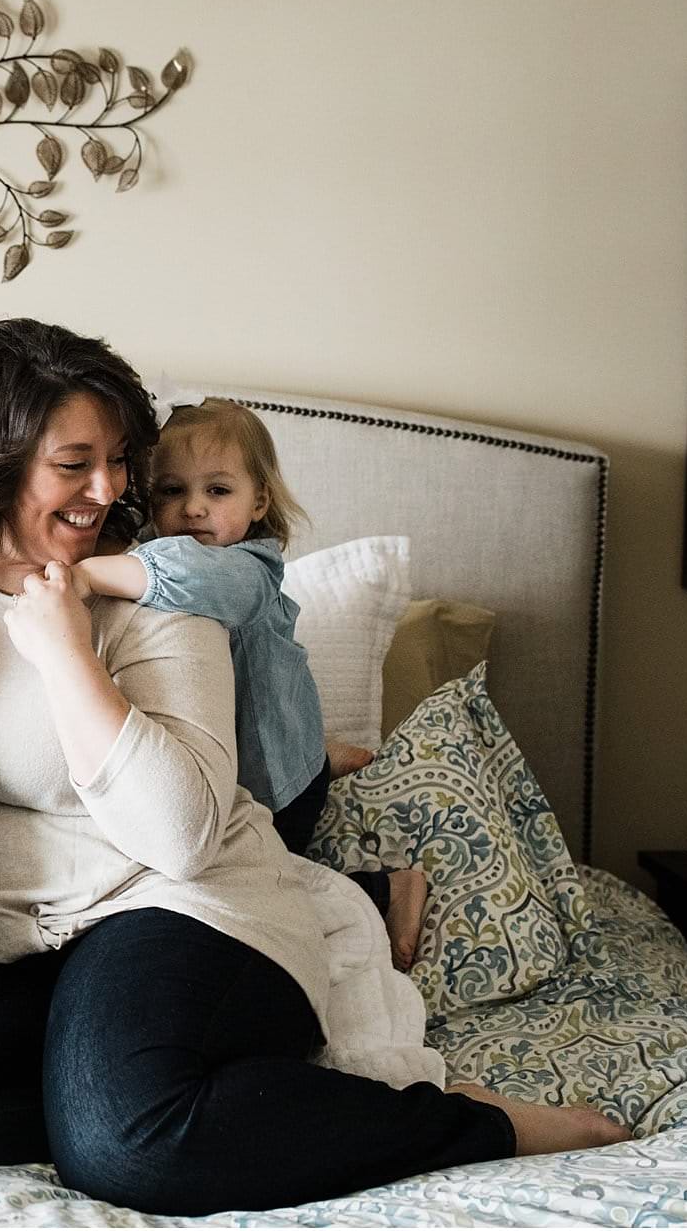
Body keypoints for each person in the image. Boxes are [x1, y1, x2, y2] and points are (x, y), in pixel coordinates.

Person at [0, 319, 627, 1214]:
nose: (109, 490)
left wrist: (66, 652)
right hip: (13, 941)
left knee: (125, 1144)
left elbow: (183, 834)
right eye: (75, 463)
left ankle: (464, 1121)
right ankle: (189, 1090)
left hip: (183, 903)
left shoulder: (168, 580)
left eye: (119, 459)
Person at [71, 396, 428, 968]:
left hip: (272, 785)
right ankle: (317, 752)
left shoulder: (245, 571)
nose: (193, 508)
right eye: (171, 491)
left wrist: (84, 573)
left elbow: (186, 576)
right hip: (237, 757)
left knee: (258, 896)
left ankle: (391, 889)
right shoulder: (150, 554)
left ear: (259, 498)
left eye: (218, 491)